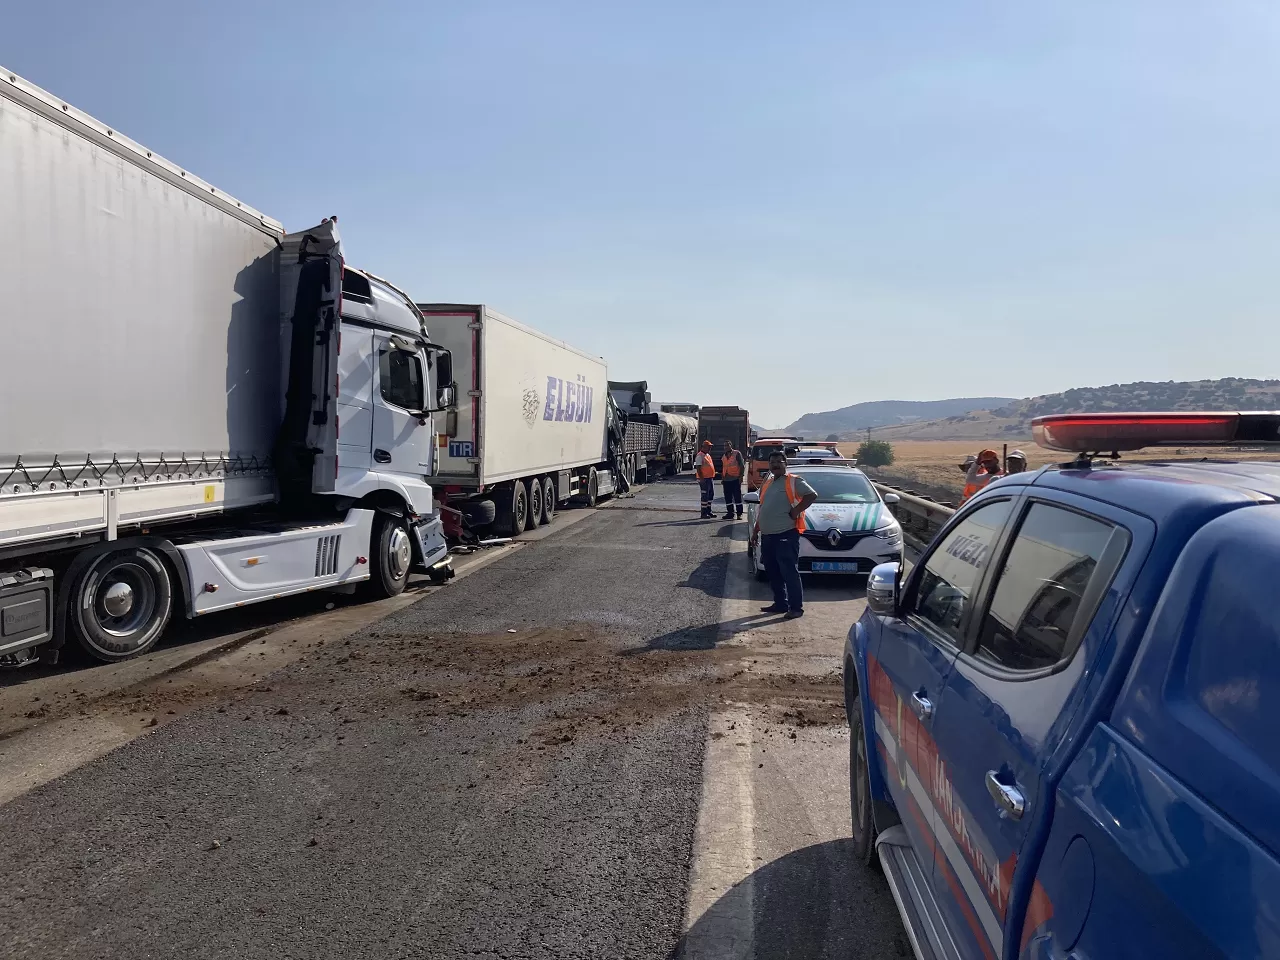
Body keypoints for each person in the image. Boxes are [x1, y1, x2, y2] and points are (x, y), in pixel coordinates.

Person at [749, 451, 817, 619]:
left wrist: (796, 511)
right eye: (772, 462)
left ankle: (796, 608)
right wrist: (756, 531)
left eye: (779, 461)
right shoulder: (768, 483)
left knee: (789, 572)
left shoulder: (794, 481)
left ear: (785, 463)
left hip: (785, 535)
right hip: (767, 536)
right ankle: (780, 604)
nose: (775, 464)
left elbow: (812, 495)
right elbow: (763, 509)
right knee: (773, 572)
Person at [721, 440, 745, 519]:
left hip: (735, 479)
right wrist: (723, 478)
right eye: (724, 446)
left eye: (727, 445)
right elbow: (724, 467)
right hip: (726, 480)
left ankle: (739, 514)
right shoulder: (724, 456)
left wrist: (741, 477)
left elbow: (742, 465)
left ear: (731, 445)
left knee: (737, 497)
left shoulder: (737, 453)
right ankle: (730, 513)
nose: (726, 447)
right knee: (728, 497)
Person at [694, 440, 717, 518]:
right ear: (704, 447)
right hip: (704, 479)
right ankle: (703, 513)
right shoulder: (700, 455)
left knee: (711, 494)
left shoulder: (707, 455)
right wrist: (701, 478)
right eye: (709, 447)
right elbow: (698, 468)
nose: (710, 448)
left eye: (710, 447)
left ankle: (708, 511)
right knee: (705, 496)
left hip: (709, 478)